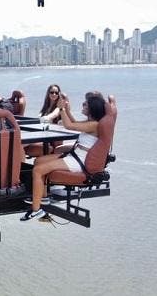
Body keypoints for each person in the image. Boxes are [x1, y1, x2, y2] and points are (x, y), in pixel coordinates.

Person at [21, 92, 109, 222]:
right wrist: (66, 109)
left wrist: (61, 108)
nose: (83, 105)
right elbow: (73, 122)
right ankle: (43, 197)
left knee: (38, 170)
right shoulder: (91, 123)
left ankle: (36, 209)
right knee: (39, 161)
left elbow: (69, 125)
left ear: (92, 109)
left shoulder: (94, 125)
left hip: (79, 161)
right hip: (76, 155)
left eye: (85, 104)